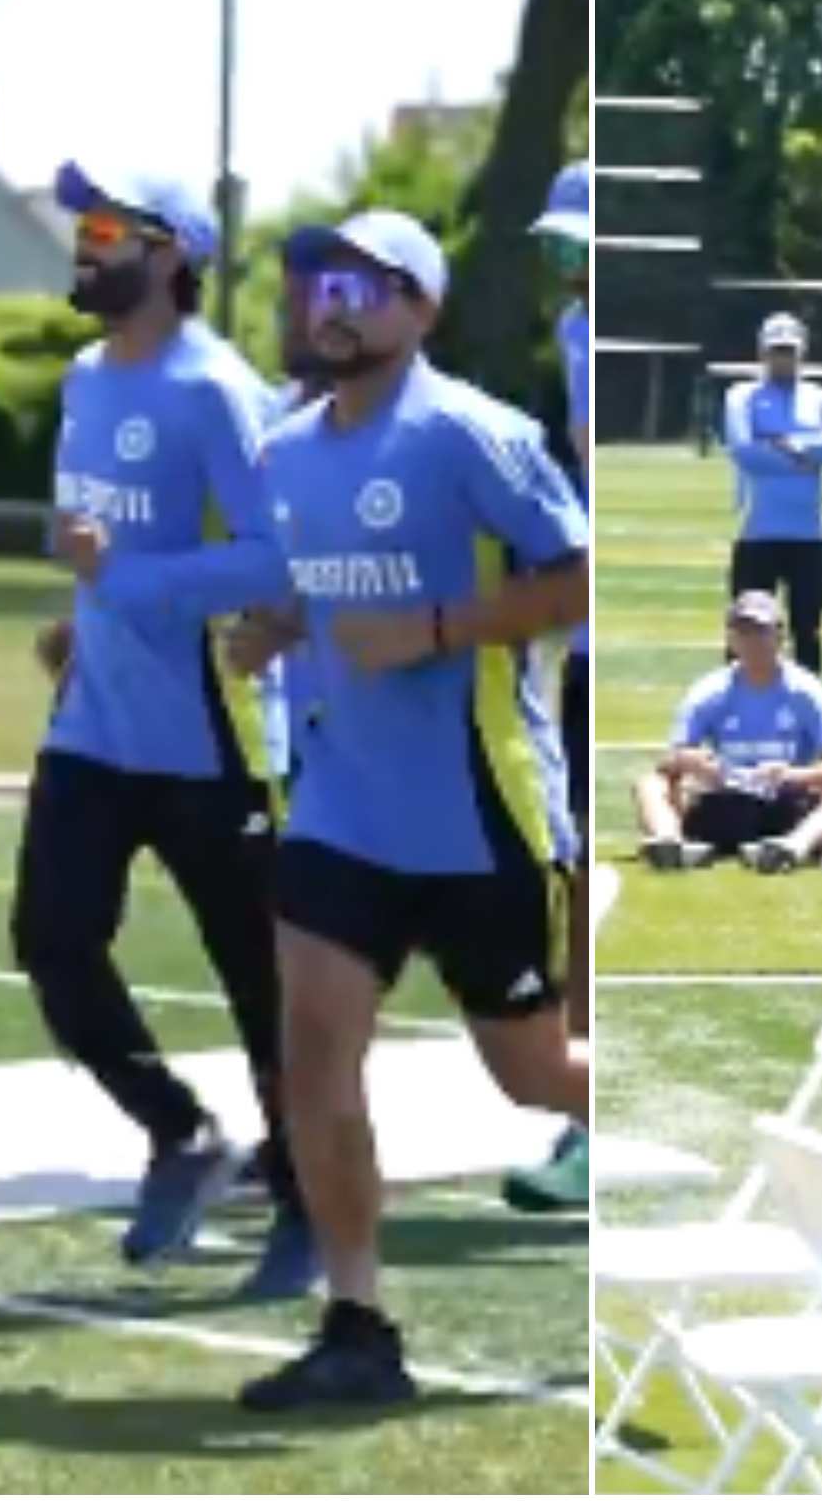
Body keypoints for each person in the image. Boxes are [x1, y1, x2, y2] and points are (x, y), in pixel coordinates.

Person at [230, 209, 590, 1410]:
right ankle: (358, 1323)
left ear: (420, 309)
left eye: (362, 286)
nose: (330, 304)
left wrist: (436, 629)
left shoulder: (474, 436)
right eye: (318, 284)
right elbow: (302, 594)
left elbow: (579, 576)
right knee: (315, 1047)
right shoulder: (285, 457)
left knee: (534, 1076)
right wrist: (271, 628)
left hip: (481, 805)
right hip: (343, 809)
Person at [20, 156, 308, 1293]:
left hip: (214, 740)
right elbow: (102, 547)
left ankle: (306, 1204)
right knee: (51, 941)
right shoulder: (86, 379)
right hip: (95, 725)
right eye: (81, 224)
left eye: (107, 226)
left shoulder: (216, 391)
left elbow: (274, 560)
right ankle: (181, 1132)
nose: (85, 242)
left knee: (261, 985)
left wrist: (128, 581)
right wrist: (78, 618)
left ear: (172, 253)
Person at [507, 161, 595, 1216]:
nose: (566, 266)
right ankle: (587, 1114)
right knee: (570, 882)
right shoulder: (574, 339)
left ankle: (593, 1119)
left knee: (580, 885)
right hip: (580, 636)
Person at [636, 591, 822, 873]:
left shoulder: (806, 691)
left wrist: (793, 775)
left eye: (761, 631)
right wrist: (692, 761)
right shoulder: (709, 690)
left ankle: (791, 848)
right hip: (723, 801)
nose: (752, 641)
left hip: (785, 803)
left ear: (779, 637)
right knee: (650, 784)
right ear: (731, 639)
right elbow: (669, 758)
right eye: (743, 632)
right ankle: (670, 844)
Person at [721, 312, 822, 673]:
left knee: (807, 631)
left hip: (810, 534)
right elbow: (745, 453)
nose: (783, 359)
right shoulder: (742, 397)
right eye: (776, 351)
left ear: (802, 353)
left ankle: (812, 715)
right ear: (762, 352)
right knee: (744, 630)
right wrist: (807, 458)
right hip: (758, 533)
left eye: (789, 351)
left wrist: (789, 446)